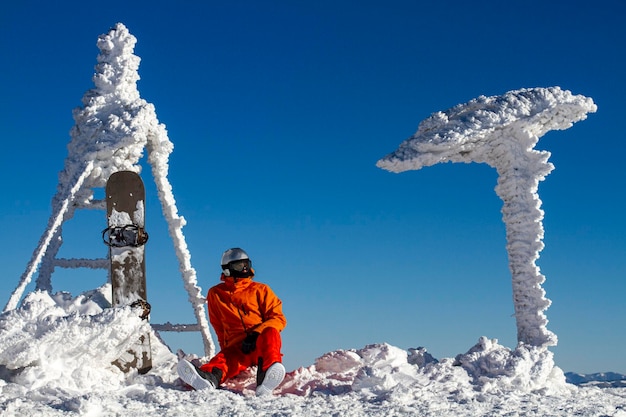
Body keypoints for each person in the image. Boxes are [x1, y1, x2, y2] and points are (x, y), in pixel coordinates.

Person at [177, 247, 287, 396]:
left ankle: (267, 376)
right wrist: (225, 348)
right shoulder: (216, 293)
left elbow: (278, 318)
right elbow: (218, 325)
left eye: (246, 264)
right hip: (238, 346)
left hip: (261, 343)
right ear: (227, 270)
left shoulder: (261, 290)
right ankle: (209, 378)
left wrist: (256, 333)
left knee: (271, 332)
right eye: (239, 266)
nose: (244, 269)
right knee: (225, 360)